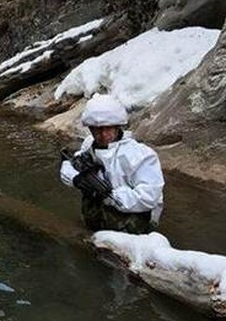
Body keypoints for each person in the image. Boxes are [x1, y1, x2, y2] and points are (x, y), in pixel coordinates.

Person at [60, 94, 164, 234]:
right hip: (98, 217)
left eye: (108, 128)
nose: (103, 135)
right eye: (98, 129)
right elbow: (70, 164)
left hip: (133, 222)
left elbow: (149, 197)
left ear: (117, 127)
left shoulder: (141, 155)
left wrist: (110, 196)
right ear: (90, 129)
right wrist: (77, 179)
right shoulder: (89, 146)